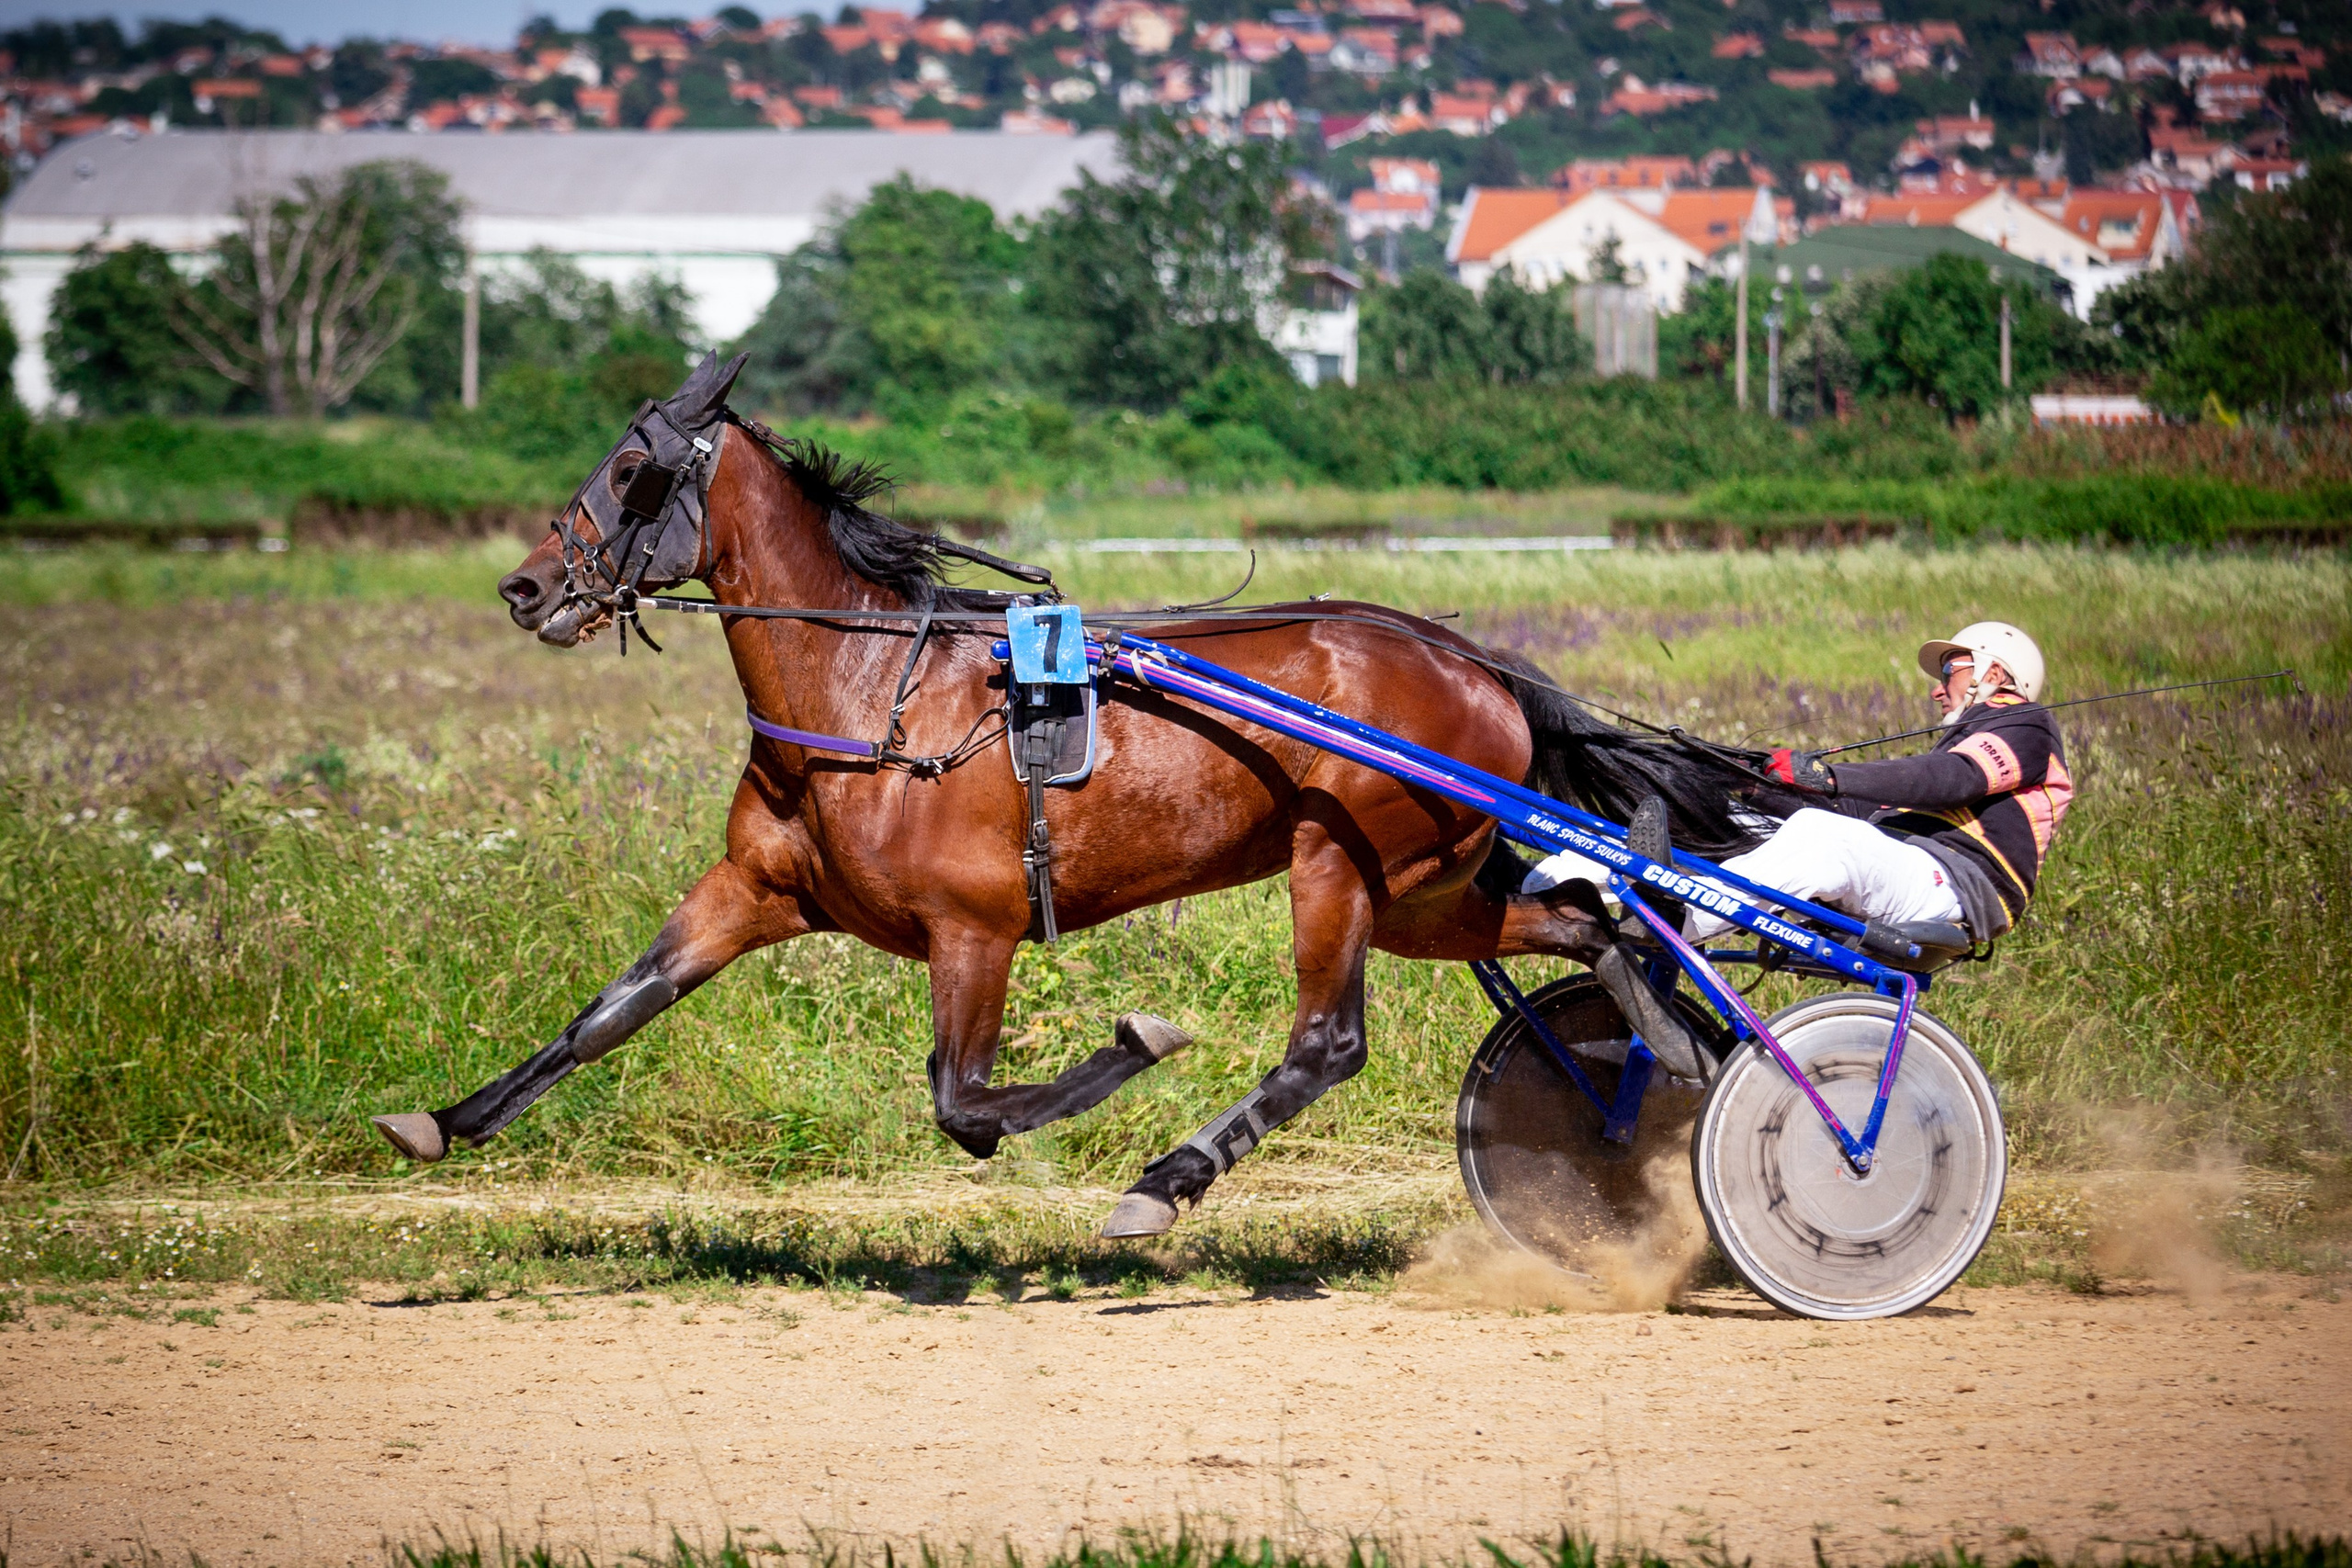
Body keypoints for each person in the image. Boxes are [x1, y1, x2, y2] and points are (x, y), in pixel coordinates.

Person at [1524, 621, 2072, 946]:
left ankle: (1679, 918)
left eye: (1950, 668)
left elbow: (1953, 780)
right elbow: (1865, 807)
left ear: (1993, 675)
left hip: (1958, 887)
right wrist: (1751, 784)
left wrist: (1827, 777)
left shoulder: (2026, 724)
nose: (1937, 689)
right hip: (1909, 865)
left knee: (1819, 835)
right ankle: (1550, 887)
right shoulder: (1964, 741)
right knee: (1727, 820)